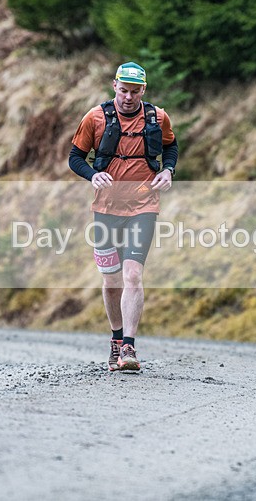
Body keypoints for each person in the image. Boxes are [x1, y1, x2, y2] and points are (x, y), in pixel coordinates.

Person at [68, 61, 179, 371]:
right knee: (111, 280)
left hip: (144, 206)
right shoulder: (94, 118)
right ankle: (116, 340)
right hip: (104, 210)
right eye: (123, 90)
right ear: (114, 85)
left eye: (135, 91)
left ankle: (129, 348)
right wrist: (92, 175)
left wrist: (168, 170)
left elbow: (171, 147)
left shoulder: (158, 118)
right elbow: (74, 158)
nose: (128, 97)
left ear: (143, 90)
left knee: (133, 274)